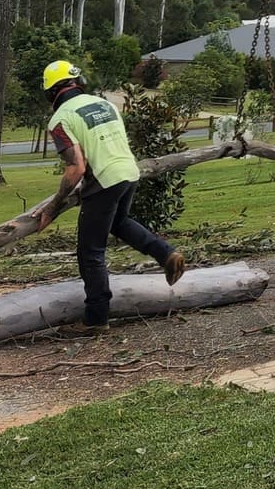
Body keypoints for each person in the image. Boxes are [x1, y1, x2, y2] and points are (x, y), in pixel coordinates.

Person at [37, 60, 185, 333]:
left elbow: (76, 168)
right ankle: (166, 254)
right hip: (128, 173)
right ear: (76, 84)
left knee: (90, 251)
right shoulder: (104, 104)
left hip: (104, 181)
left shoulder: (60, 119)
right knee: (119, 223)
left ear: (50, 93)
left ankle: (96, 318)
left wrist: (52, 207)